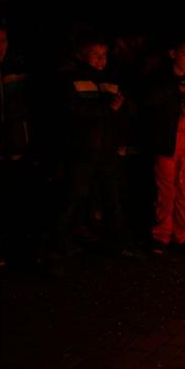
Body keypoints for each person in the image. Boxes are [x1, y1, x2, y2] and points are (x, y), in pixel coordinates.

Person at [55, 35, 138, 260]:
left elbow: (121, 114)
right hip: (82, 151)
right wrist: (108, 109)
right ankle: (55, 248)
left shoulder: (109, 81)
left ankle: (120, 244)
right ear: (82, 55)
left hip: (106, 151)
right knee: (72, 200)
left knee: (112, 200)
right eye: (96, 55)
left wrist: (120, 119)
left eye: (104, 55)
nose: (102, 60)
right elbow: (75, 113)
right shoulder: (71, 80)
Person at [144, 39, 185, 255]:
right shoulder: (160, 78)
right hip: (167, 141)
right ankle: (161, 235)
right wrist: (175, 87)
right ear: (173, 54)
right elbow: (150, 101)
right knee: (165, 191)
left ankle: (183, 236)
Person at [0, 22, 33, 266]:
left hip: (13, 144)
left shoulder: (16, 69)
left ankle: (7, 244)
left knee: (8, 196)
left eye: (2, 41)